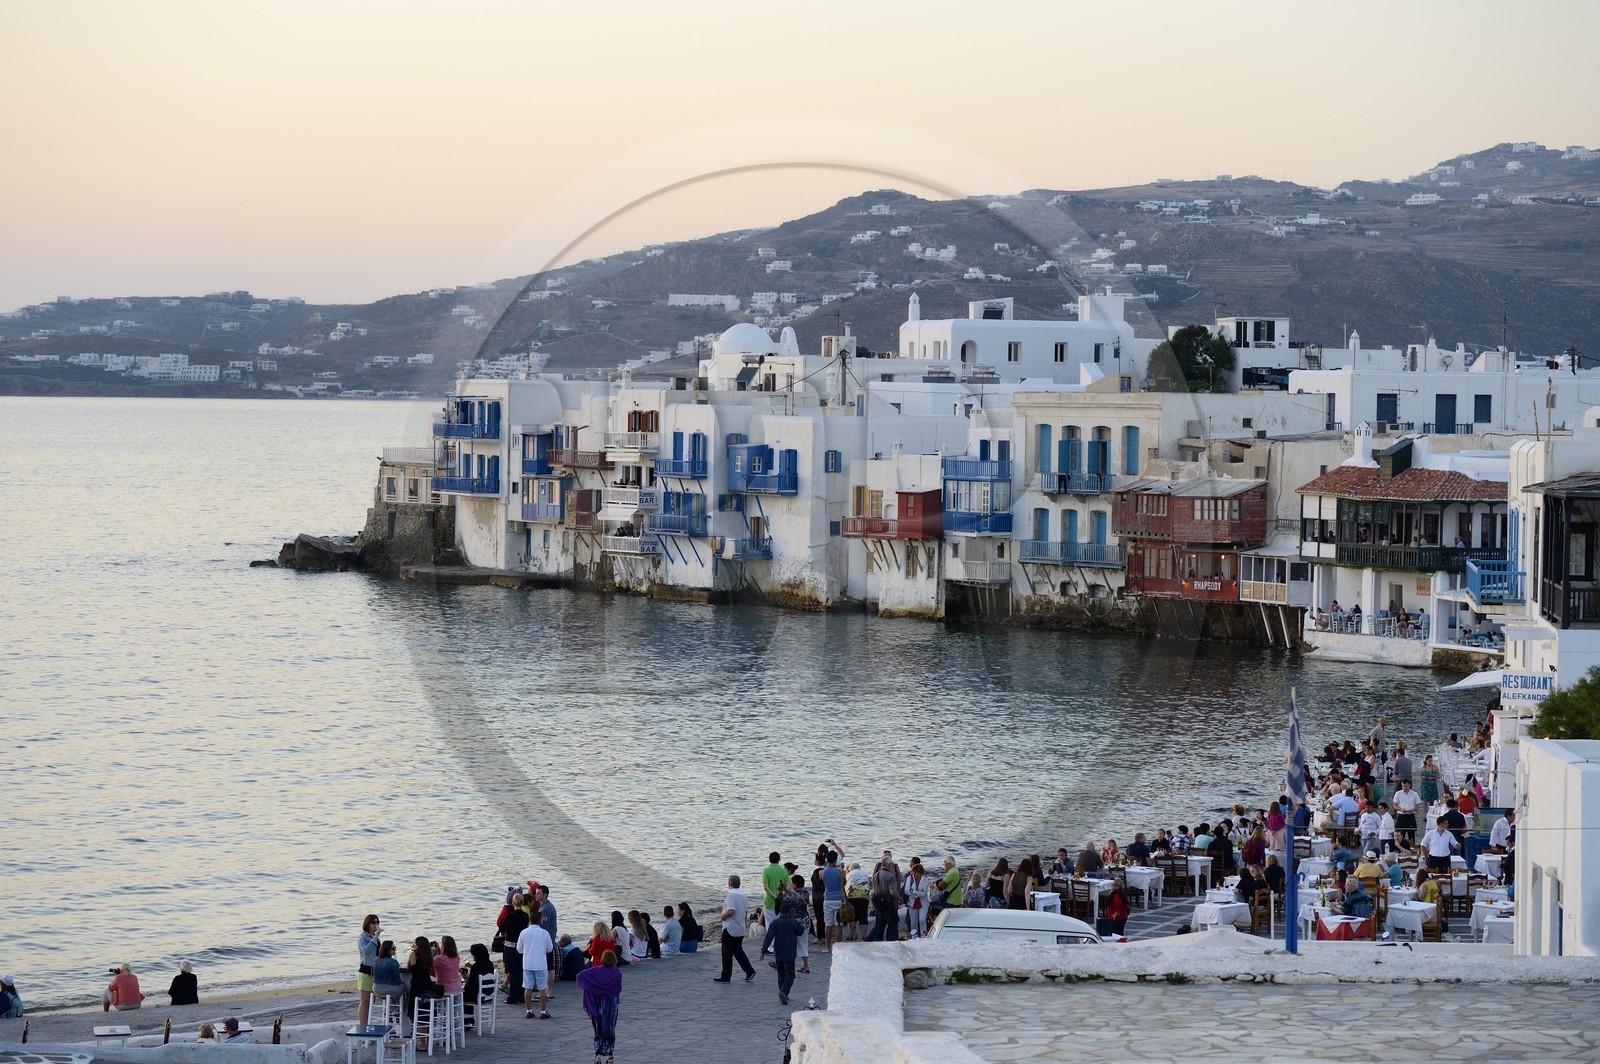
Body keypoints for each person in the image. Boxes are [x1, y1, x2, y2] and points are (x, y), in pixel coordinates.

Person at [576, 950, 622, 1064]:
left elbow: (580, 976)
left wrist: (590, 988)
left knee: (598, 1029)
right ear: (614, 960)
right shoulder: (617, 973)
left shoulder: (595, 971)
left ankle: (597, 1055)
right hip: (611, 1005)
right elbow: (618, 989)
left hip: (598, 1004)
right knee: (610, 1029)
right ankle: (610, 1056)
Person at [713, 874, 755, 982]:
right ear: (739, 884)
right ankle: (749, 970)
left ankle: (726, 976)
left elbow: (731, 910)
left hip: (730, 928)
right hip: (740, 927)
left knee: (726, 953)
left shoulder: (731, 895)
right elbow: (745, 912)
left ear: (729, 884)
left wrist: (723, 916)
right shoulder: (743, 895)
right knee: (738, 951)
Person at [760, 908, 803, 1006]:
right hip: (790, 952)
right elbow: (800, 932)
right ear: (789, 912)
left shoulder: (774, 923)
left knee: (781, 974)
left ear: (780, 912)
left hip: (778, 952)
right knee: (790, 974)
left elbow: (769, 937)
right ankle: (784, 992)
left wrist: (763, 951)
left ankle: (782, 993)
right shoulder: (793, 922)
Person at [516, 914, 554, 1019]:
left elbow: (519, 949)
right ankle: (543, 1011)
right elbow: (549, 948)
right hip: (540, 964)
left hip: (528, 963)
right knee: (542, 988)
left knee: (528, 987)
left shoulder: (524, 933)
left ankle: (528, 1010)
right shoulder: (544, 933)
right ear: (540, 920)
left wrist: (527, 951)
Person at [499, 892, 529, 1005]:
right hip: (521, 946)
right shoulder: (525, 916)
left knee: (512, 972)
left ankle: (513, 996)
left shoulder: (510, 916)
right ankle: (521, 995)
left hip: (510, 946)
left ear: (513, 903)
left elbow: (502, 927)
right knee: (520, 971)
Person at [780, 874, 814, 970]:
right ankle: (806, 965)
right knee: (803, 943)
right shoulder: (806, 893)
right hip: (806, 922)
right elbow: (794, 895)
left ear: (794, 884)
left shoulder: (792, 897)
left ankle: (784, 963)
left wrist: (781, 891)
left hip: (795, 923)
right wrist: (786, 890)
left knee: (787, 942)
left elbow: (782, 900)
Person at [405, 937, 438, 1022]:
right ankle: (427, 1032)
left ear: (418, 945)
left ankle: (419, 1031)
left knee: (416, 1012)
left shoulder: (413, 955)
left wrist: (412, 950)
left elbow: (409, 967)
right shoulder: (429, 956)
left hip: (417, 987)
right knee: (426, 1014)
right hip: (428, 986)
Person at [463, 943, 494, 1029]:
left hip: (479, 995)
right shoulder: (489, 964)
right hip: (488, 993)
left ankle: (468, 1020)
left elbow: (470, 984)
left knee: (463, 996)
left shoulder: (476, 966)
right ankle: (469, 1020)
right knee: (467, 994)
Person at [356, 914, 380, 1025]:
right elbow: (365, 951)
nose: (375, 925)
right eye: (373, 922)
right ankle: (363, 1025)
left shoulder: (375, 937)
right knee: (364, 1001)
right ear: (367, 924)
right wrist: (375, 938)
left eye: (377, 922)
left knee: (372, 1001)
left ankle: (367, 1023)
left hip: (374, 970)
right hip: (365, 970)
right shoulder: (363, 937)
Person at [432, 935, 465, 1010]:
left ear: (444, 946)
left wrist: (433, 951)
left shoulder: (439, 959)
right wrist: (439, 951)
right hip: (457, 988)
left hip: (445, 989)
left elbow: (428, 962)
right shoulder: (457, 957)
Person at [902, 860, 933, 937]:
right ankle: (914, 937)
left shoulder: (925, 880)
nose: (914, 874)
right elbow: (906, 891)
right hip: (912, 903)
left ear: (921, 873)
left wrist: (913, 892)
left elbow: (923, 894)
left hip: (923, 903)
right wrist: (917, 893)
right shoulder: (910, 879)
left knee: (922, 920)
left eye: (916, 873)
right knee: (913, 922)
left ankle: (923, 936)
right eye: (913, 872)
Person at [761, 851, 787, 929]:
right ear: (779, 860)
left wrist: (775, 897)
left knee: (769, 926)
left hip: (769, 901)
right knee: (779, 926)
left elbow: (766, 887)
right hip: (780, 901)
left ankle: (771, 940)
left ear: (769, 860)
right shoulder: (783, 871)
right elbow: (785, 887)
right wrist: (779, 896)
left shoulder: (765, 870)